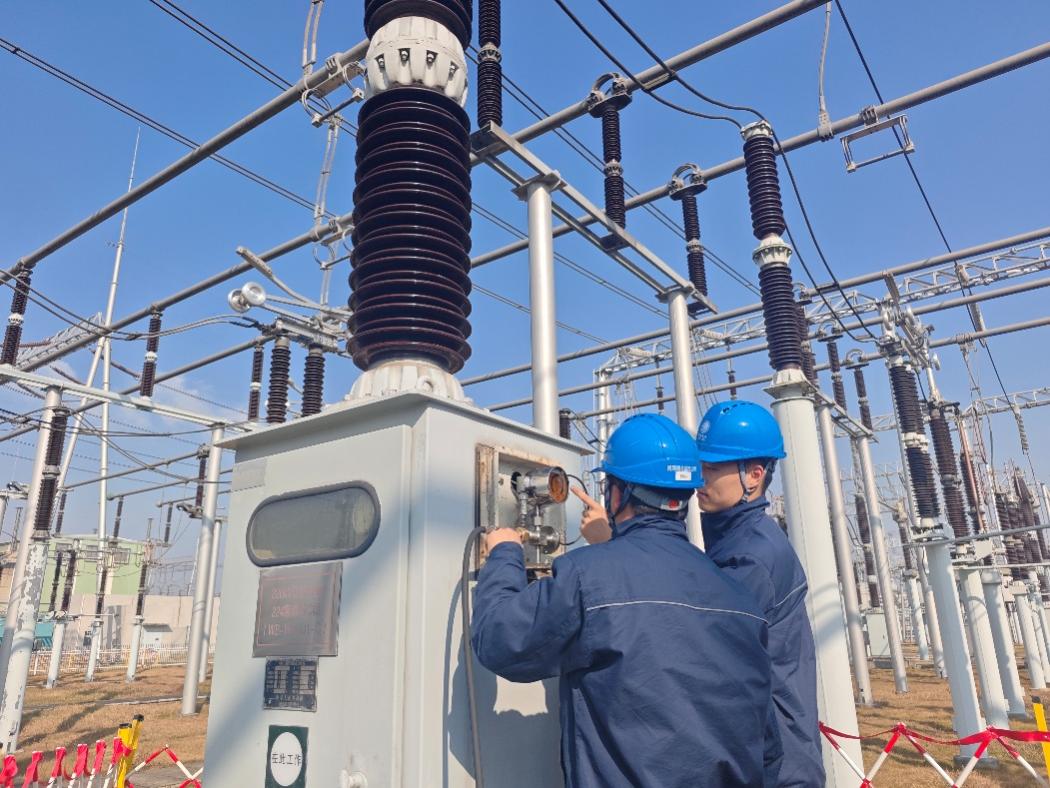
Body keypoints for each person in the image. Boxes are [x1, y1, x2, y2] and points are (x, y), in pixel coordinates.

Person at [471, 413, 782, 787]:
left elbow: (501, 641)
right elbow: (768, 749)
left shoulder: (586, 577)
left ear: (616, 494)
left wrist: (504, 554)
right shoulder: (741, 599)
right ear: (687, 495)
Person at [693, 400, 824, 788]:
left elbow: (703, 650)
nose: (699, 478)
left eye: (711, 468)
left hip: (773, 764)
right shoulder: (738, 540)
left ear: (753, 475)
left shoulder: (751, 557)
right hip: (771, 750)